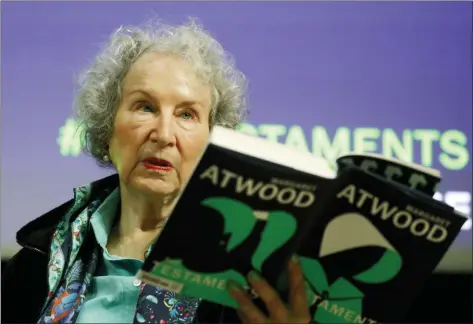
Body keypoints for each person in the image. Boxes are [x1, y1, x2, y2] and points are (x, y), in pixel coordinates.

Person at [1, 18, 311, 324]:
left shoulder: (252, 280)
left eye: (187, 114)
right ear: (108, 127)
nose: (164, 134)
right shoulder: (36, 262)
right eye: (145, 107)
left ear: (212, 141)